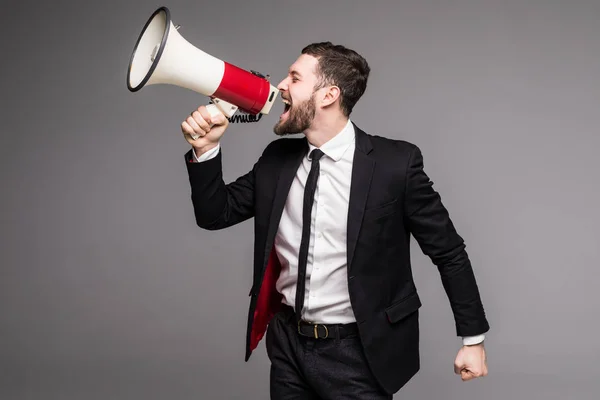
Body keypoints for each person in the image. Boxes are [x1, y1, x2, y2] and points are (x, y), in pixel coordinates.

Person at [180, 42, 490, 399]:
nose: (280, 85)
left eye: (294, 77)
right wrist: (205, 151)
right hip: (288, 346)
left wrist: (473, 339)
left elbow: (448, 251)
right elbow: (215, 214)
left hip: (359, 352)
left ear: (329, 94)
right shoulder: (276, 159)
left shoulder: (395, 164)